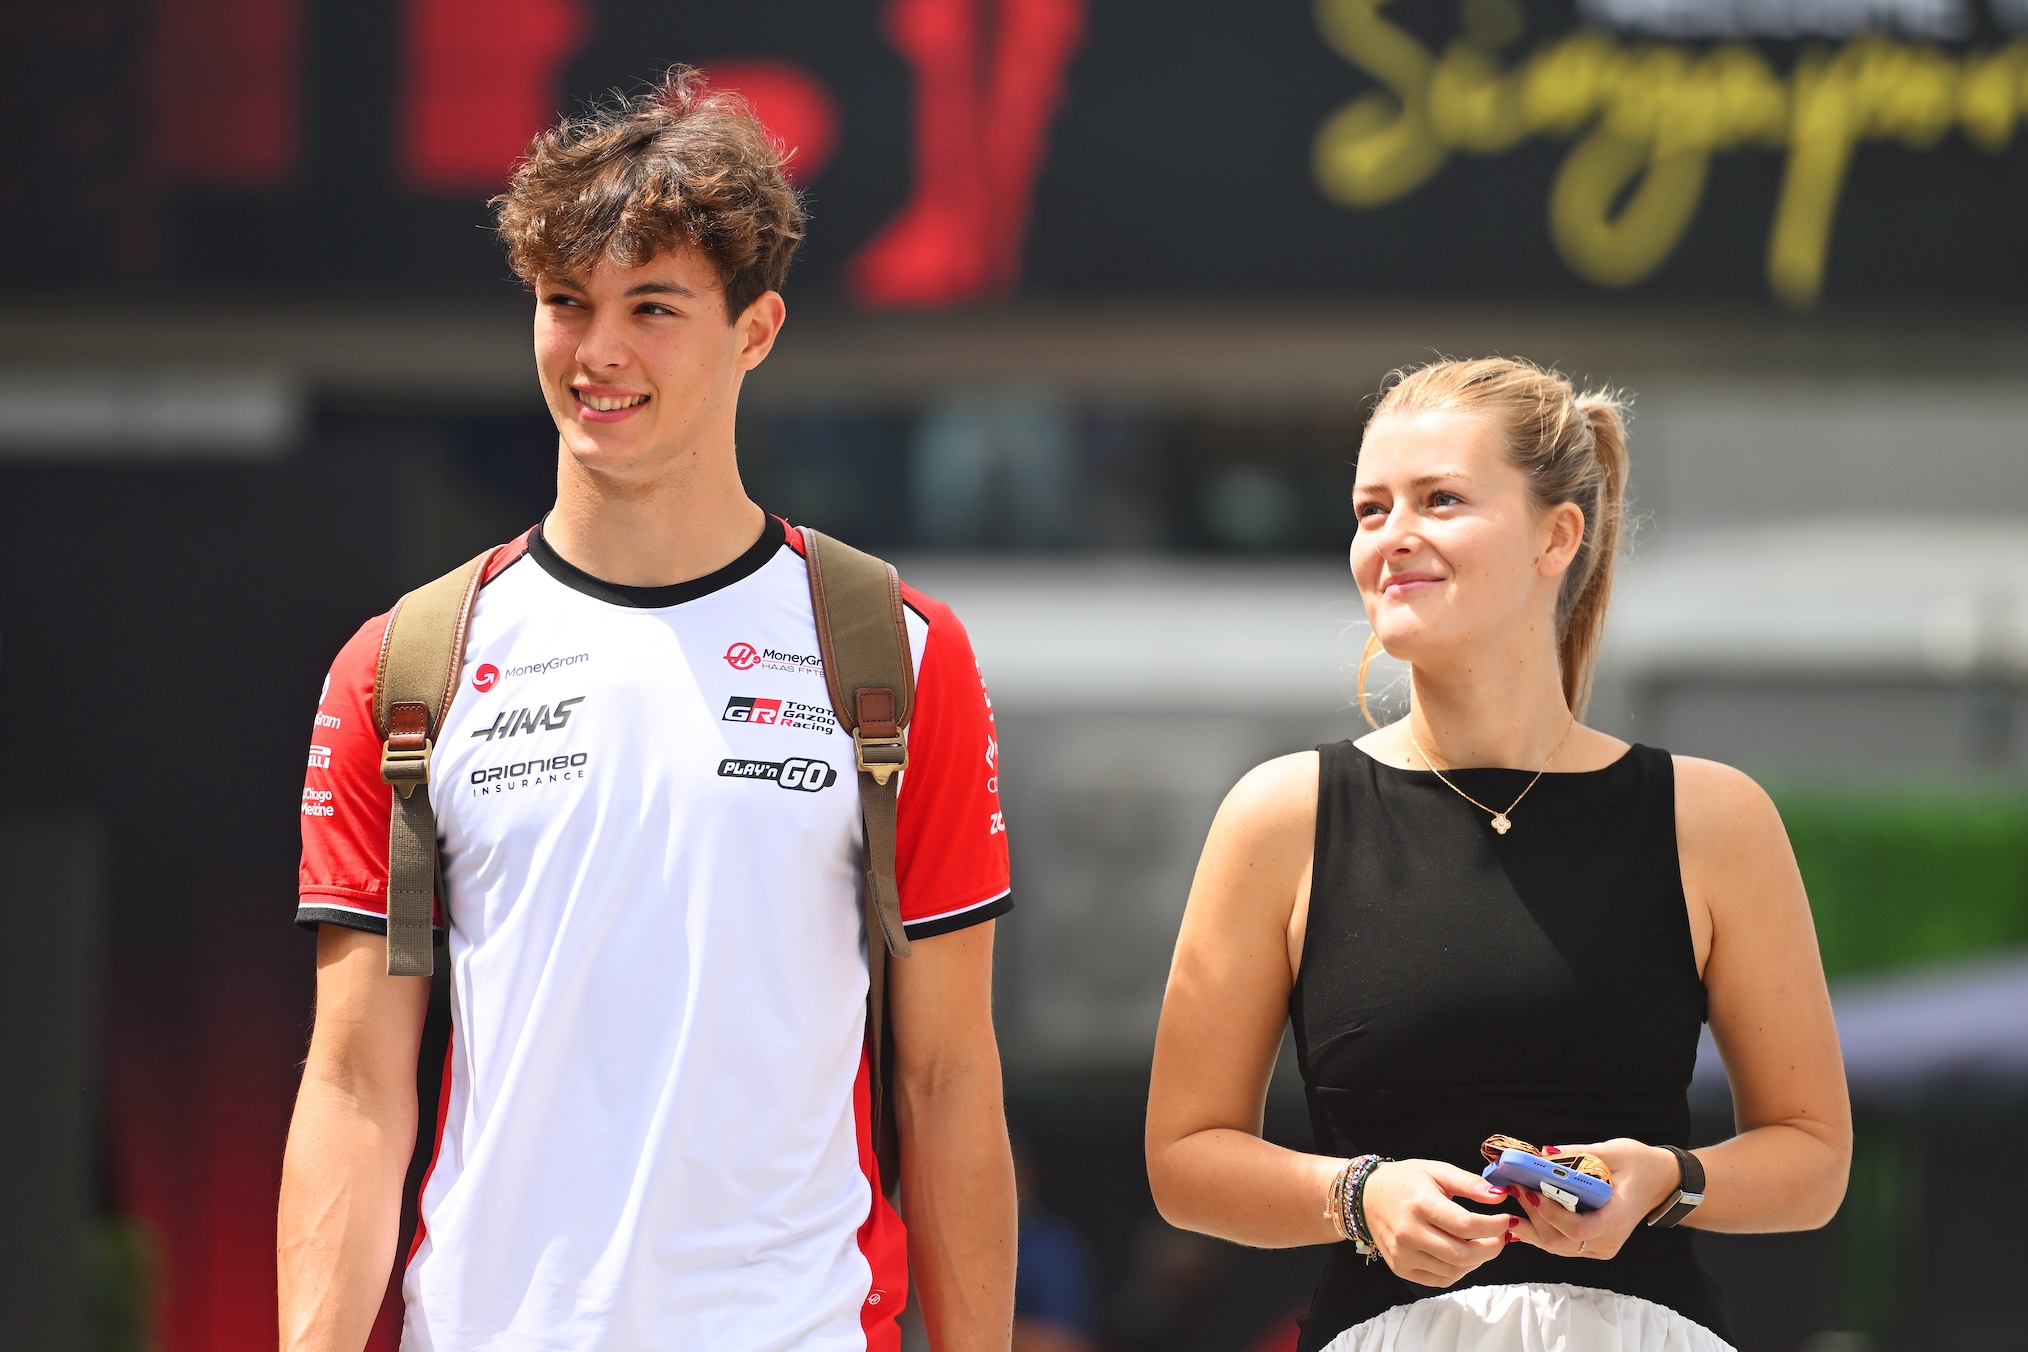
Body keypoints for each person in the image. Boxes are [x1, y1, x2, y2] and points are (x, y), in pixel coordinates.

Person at [277, 68, 1018, 1352]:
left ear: (758, 329)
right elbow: (352, 1080)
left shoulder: (894, 651)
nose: (597, 350)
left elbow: (947, 1077)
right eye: (565, 303)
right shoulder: (406, 662)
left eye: (652, 306)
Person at [1143, 358, 1851, 1351]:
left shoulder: (1715, 815)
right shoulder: (1282, 813)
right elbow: (1183, 1158)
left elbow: (1814, 1158)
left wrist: (1664, 1178)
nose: (1394, 537)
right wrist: (1358, 1194)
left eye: (1439, 500)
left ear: (1558, 533)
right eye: (1371, 507)